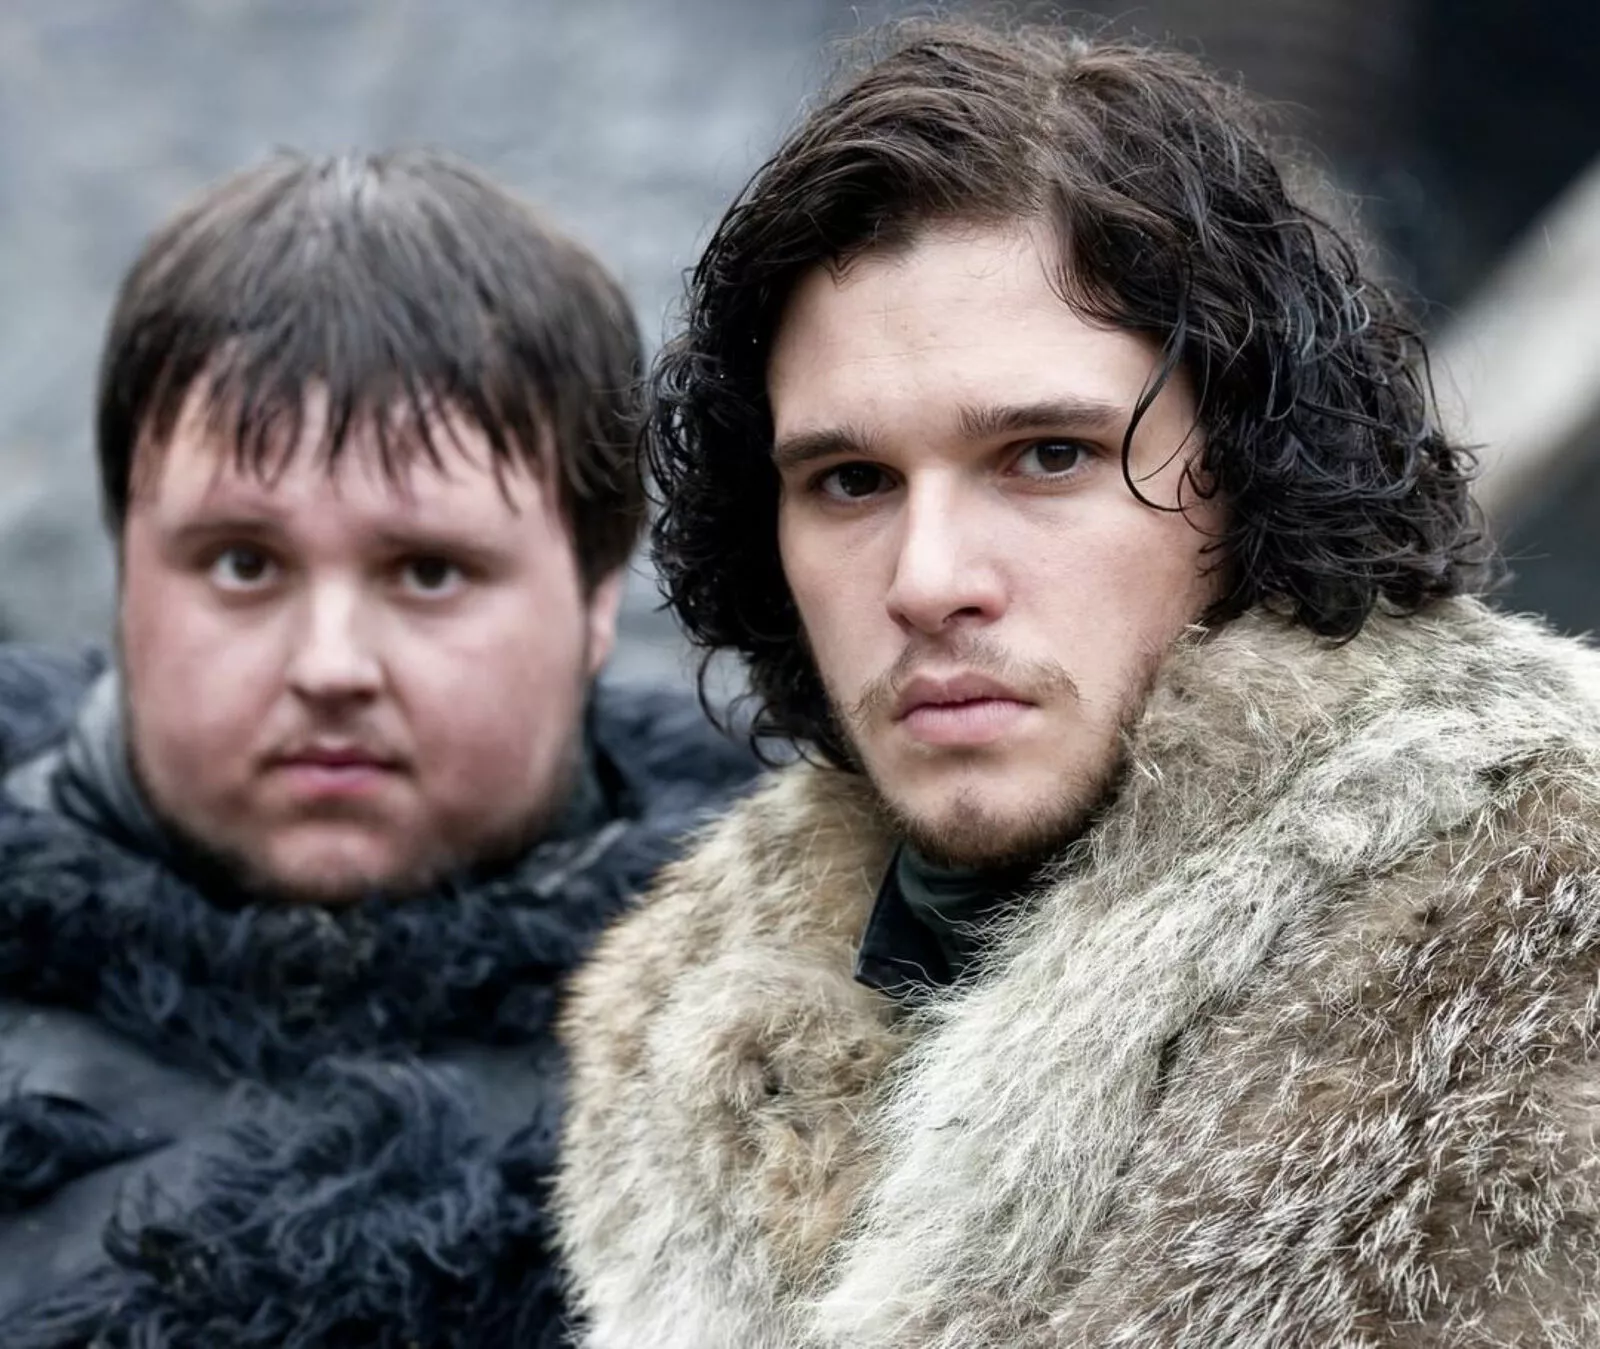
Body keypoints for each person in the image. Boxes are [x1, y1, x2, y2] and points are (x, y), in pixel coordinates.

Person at [554, 21, 1600, 1348]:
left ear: (1250, 477)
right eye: (851, 480)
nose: (928, 579)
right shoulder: (687, 1005)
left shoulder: (1542, 931)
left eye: (1047, 455)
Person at [0, 149, 753, 1347]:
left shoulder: (821, 1045)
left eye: (429, 571)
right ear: (126, 574)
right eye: (242, 562)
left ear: (597, 597)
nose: (330, 663)